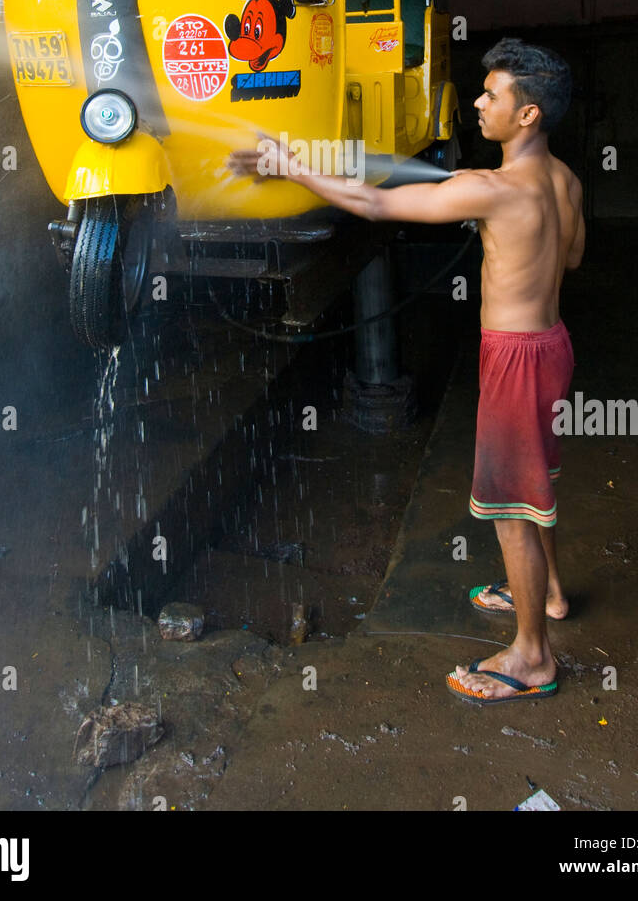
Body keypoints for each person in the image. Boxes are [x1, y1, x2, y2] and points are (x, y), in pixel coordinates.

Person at [228, 36, 584, 705]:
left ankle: (533, 656)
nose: (477, 102)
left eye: (493, 95)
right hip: (551, 345)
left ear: (528, 115)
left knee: (509, 509)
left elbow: (376, 205)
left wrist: (288, 165)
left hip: (513, 356)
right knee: (537, 485)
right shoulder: (563, 179)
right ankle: (551, 594)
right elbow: (570, 261)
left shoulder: (492, 188)